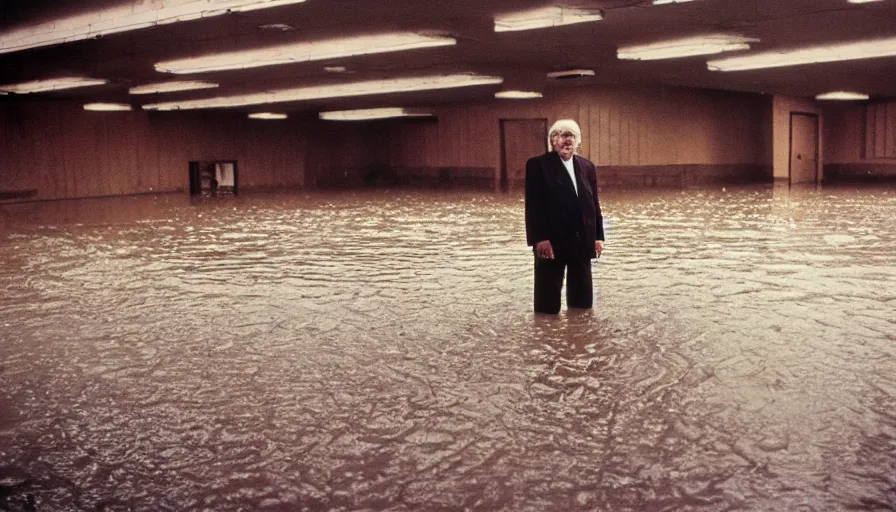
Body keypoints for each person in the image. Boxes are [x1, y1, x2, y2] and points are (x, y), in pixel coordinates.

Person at [524, 119, 605, 314]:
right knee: (547, 305)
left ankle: (577, 339)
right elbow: (533, 206)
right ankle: (547, 340)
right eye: (562, 135)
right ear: (552, 140)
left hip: (582, 241)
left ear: (578, 141)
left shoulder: (587, 166)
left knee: (582, 305)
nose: (567, 140)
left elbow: (594, 203)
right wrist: (540, 239)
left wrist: (598, 236)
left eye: (571, 136)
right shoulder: (538, 165)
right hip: (552, 241)